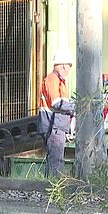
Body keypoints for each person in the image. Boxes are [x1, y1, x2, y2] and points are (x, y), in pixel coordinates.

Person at [38, 50, 75, 178]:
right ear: (64, 65)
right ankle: (53, 185)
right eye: (69, 67)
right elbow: (56, 103)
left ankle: (50, 184)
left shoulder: (57, 81)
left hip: (56, 127)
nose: (69, 71)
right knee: (56, 159)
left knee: (55, 158)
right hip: (53, 127)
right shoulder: (53, 80)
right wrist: (74, 108)